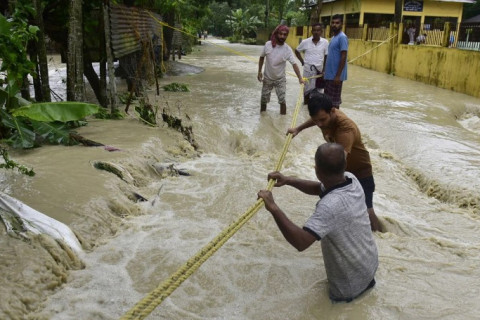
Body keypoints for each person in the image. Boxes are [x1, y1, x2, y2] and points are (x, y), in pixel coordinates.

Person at [257, 142, 378, 302]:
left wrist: (273, 207)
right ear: (344, 165)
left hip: (348, 287)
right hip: (369, 267)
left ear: (316, 171)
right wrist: (288, 180)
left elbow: (300, 242)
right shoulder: (352, 179)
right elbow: (318, 188)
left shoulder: (329, 206)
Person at [287, 93, 382, 232]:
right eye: (316, 120)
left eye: (322, 120)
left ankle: (381, 237)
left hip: (360, 171)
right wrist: (298, 129)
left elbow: (338, 160)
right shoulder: (324, 116)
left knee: (367, 209)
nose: (319, 124)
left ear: (332, 111)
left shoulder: (345, 129)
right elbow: (316, 119)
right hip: (344, 170)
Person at [258, 24, 304, 115]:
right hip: (267, 78)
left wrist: (300, 78)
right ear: (276, 34)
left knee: (282, 100)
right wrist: (259, 71)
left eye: (285, 34)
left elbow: (294, 64)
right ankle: (262, 118)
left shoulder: (287, 49)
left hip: (280, 79)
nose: (282, 36)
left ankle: (282, 120)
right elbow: (261, 57)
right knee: (263, 100)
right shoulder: (268, 45)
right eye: (281, 34)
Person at [295, 23, 329, 105]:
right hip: (307, 71)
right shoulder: (305, 42)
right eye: (314, 30)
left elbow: (326, 56)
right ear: (311, 31)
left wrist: (324, 70)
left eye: (318, 30)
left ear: (321, 32)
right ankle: (306, 107)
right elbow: (296, 50)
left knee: (319, 93)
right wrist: (302, 61)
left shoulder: (325, 42)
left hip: (319, 72)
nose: (316, 32)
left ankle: (315, 110)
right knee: (306, 92)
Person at [324, 14, 348, 109]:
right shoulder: (334, 38)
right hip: (330, 76)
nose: (334, 25)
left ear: (342, 24)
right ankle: (330, 123)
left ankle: (336, 123)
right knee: (328, 102)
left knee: (334, 104)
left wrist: (338, 76)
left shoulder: (342, 37)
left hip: (335, 77)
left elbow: (343, 56)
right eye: (333, 23)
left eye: (337, 23)